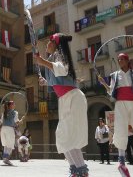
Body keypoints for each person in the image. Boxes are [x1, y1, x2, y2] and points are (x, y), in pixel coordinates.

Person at [35, 33, 88, 177]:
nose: (47, 45)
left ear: (56, 44)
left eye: (49, 42)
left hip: (73, 98)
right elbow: (57, 82)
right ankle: (77, 171)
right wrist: (46, 82)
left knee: (70, 137)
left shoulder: (61, 55)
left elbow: (62, 69)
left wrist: (43, 62)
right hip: (65, 99)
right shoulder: (52, 59)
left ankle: (81, 171)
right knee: (63, 137)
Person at [0, 101, 25, 166]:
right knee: (10, 145)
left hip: (3, 129)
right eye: (14, 104)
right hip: (9, 129)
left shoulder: (4, 112)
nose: (15, 105)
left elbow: (1, 121)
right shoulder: (15, 112)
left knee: (6, 144)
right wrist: (21, 120)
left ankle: (5, 158)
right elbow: (16, 122)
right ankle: (6, 159)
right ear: (11, 105)